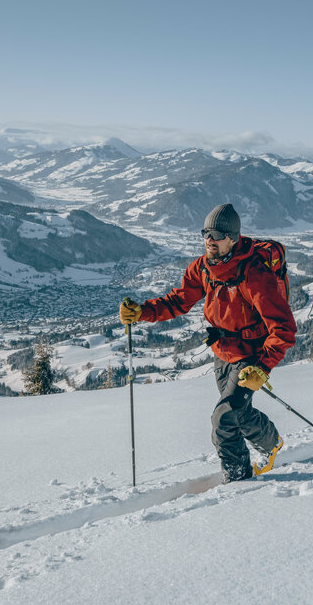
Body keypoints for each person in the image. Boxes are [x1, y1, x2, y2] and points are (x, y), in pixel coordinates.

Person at [119, 203, 297, 483]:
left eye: (216, 234)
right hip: (222, 353)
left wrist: (262, 367)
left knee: (223, 419)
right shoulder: (203, 268)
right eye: (205, 233)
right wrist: (143, 311)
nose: (209, 240)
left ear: (233, 237)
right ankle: (270, 443)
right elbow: (178, 300)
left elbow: (284, 328)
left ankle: (237, 478)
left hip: (251, 356)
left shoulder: (255, 275)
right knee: (237, 413)